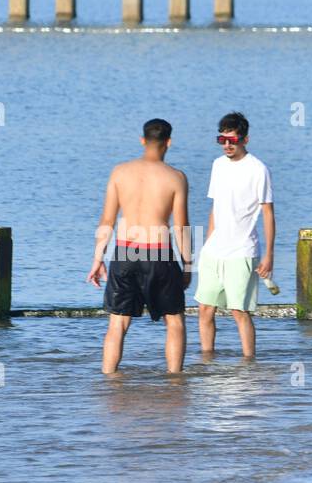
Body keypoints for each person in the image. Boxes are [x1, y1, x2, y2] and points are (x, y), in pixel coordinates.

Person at [86, 119, 192, 373]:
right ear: (169, 142)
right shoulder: (176, 178)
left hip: (125, 251)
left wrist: (97, 259)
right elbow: (181, 227)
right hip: (159, 254)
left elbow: (107, 220)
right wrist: (188, 264)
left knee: (117, 324)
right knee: (174, 321)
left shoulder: (120, 172)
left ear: (142, 140)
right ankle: (175, 381)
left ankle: (109, 379)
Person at [195, 112, 274, 358]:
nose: (227, 145)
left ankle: (249, 362)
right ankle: (207, 360)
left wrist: (269, 256)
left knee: (239, 311)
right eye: (222, 140)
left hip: (242, 252)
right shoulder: (217, 165)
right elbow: (215, 208)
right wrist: (207, 244)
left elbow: (268, 213)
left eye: (232, 140)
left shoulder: (258, 169)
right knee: (204, 310)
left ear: (245, 140)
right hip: (214, 251)